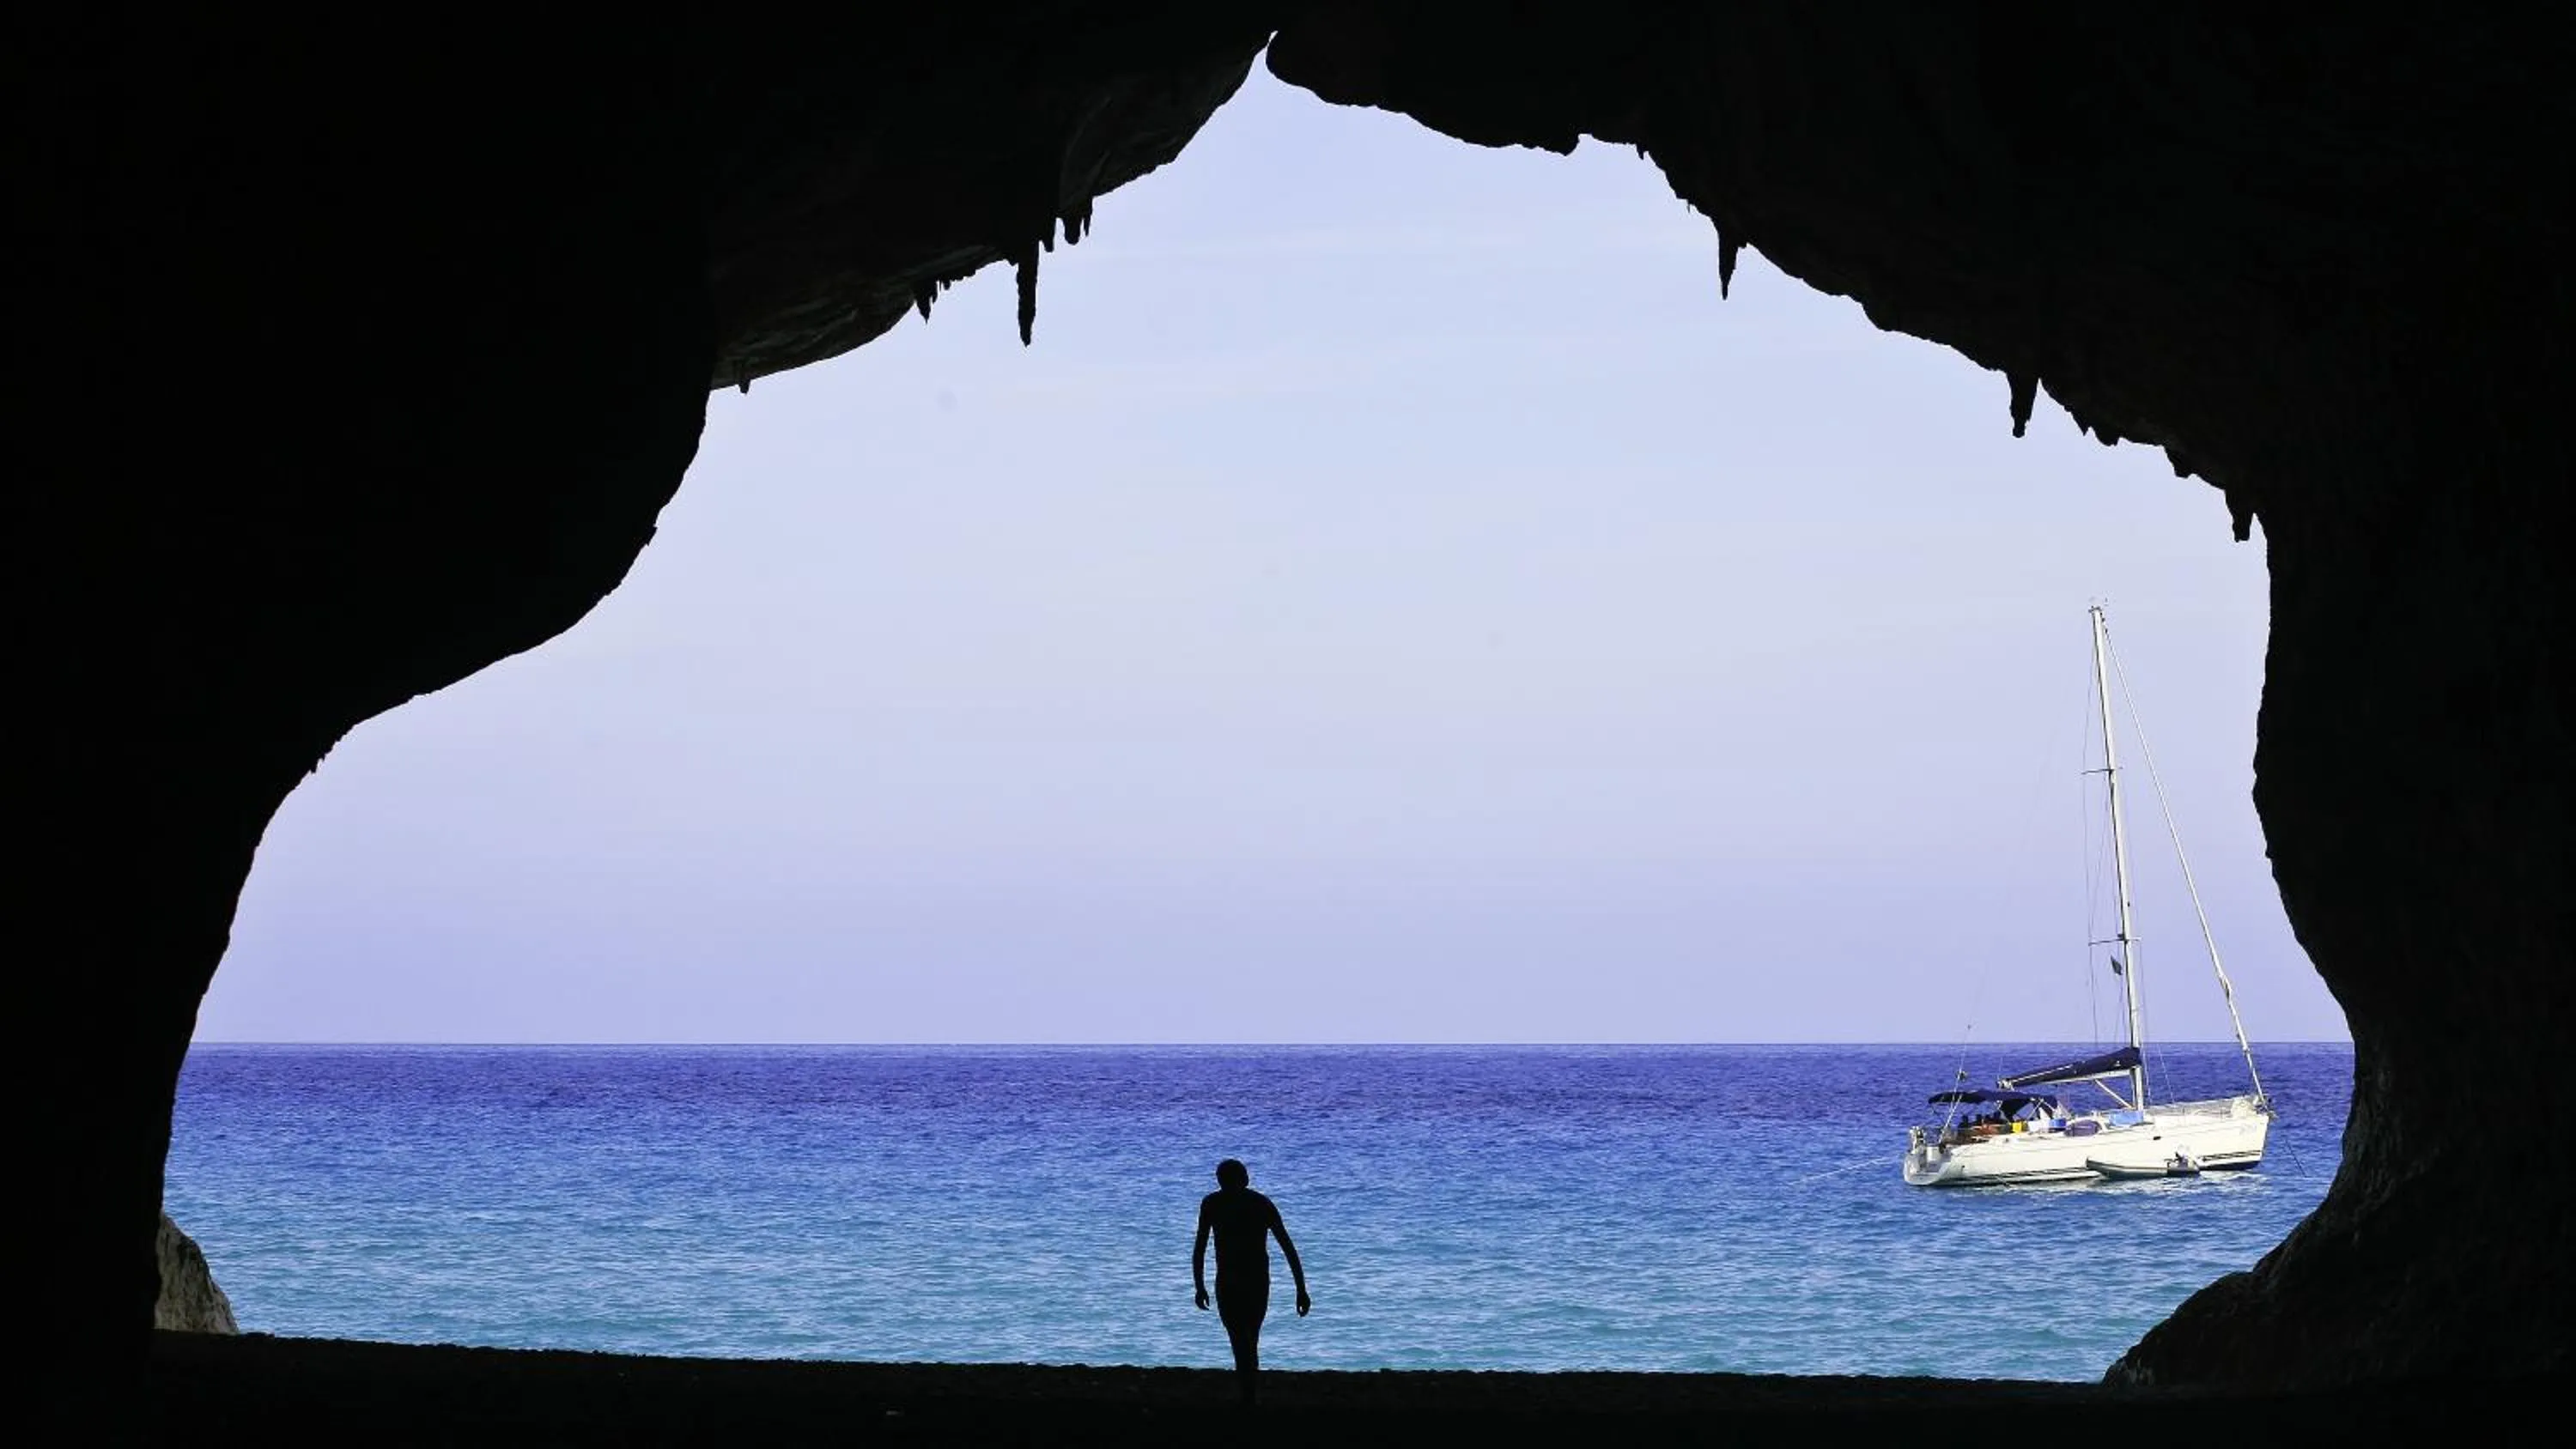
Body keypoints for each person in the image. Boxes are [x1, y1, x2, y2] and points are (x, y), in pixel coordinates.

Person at [1192, 1157, 1309, 1406]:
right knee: (1249, 1338)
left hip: (1232, 1280)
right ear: (1244, 1179)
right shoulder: (1259, 1204)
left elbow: (1200, 1247)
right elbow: (1288, 1247)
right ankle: (1249, 1395)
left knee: (1239, 1339)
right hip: (1253, 1280)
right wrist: (1300, 1288)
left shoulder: (1214, 1203)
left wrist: (1199, 1284)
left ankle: (1248, 1395)